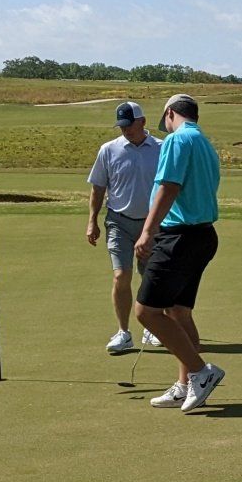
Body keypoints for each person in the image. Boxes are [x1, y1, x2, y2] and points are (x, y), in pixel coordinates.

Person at [134, 94, 226, 412]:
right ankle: (185, 385)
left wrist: (147, 231)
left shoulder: (177, 140)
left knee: (146, 312)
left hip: (179, 237)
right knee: (178, 311)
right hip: (202, 236)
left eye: (166, 121)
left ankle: (201, 372)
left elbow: (169, 187)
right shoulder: (205, 143)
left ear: (170, 113)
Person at [85, 101, 164, 355]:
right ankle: (123, 332)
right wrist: (92, 220)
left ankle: (153, 327)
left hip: (152, 224)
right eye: (121, 126)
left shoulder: (162, 148)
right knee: (121, 275)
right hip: (118, 221)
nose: (125, 130)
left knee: (150, 277)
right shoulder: (108, 150)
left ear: (142, 122)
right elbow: (98, 188)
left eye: (129, 125)